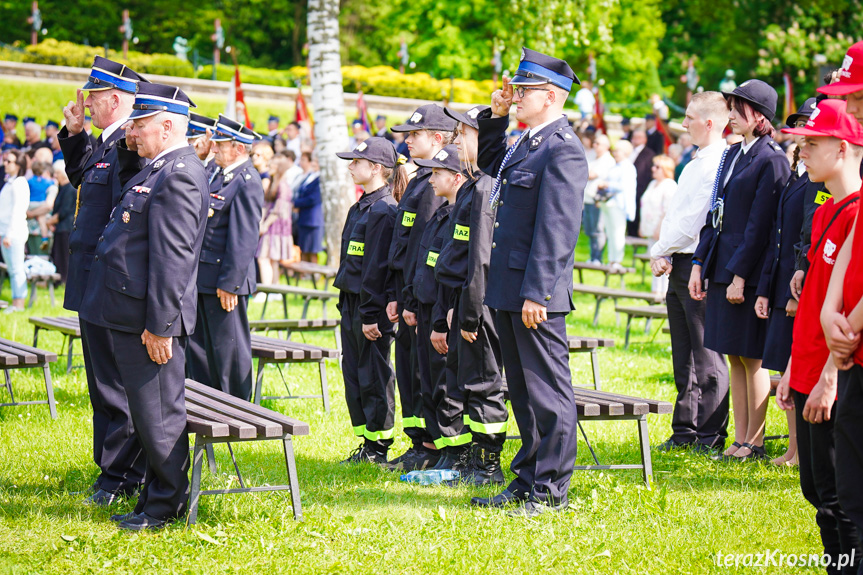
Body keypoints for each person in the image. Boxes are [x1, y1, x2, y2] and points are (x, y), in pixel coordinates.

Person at [78, 82, 208, 531]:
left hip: (149, 321)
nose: (134, 131)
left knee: (159, 416)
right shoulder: (159, 168)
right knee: (147, 412)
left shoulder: (181, 173)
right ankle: (152, 498)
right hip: (131, 314)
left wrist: (160, 326)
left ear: (167, 125)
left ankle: (164, 508)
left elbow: (173, 259)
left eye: (142, 123)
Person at [472, 48, 587, 517]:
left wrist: (537, 291)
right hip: (510, 287)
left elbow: (558, 228)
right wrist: (496, 119)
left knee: (547, 391)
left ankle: (551, 490)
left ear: (552, 95)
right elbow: (487, 166)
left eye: (524, 90)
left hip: (534, 292)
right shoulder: (527, 140)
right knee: (521, 388)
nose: (515, 96)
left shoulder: (562, 147)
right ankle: (528, 477)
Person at [776, 98, 863, 572]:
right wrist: (794, 366)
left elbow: (850, 312)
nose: (802, 152)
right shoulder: (825, 210)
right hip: (808, 366)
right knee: (817, 490)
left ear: (844, 148)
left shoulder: (856, 213)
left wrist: (829, 374)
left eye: (811, 143)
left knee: (840, 496)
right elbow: (814, 305)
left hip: (835, 373)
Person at [57, 56, 149, 506]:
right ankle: (108, 469)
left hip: (109, 283)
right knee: (101, 384)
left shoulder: (127, 148)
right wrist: (75, 136)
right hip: (91, 279)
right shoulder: (106, 143)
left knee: (115, 385)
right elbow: (82, 179)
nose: (86, 103)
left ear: (115, 99)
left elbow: (123, 216)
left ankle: (121, 477)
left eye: (93, 97)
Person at [690, 79, 791, 461]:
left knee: (752, 356)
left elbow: (761, 227)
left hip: (745, 272)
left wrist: (739, 276)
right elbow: (715, 214)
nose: (730, 114)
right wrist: (700, 262)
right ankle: (739, 436)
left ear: (759, 115)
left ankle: (757, 440)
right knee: (733, 353)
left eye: (737, 108)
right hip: (721, 264)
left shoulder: (773, 159)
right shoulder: (735, 155)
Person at [650, 91, 730, 453]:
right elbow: (677, 215)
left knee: (706, 351)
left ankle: (710, 432)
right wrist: (665, 252)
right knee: (682, 350)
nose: (684, 124)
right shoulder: (696, 160)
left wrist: (661, 249)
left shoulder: (717, 163)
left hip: (698, 261)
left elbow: (697, 217)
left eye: (691, 117)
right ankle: (685, 427)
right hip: (680, 261)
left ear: (710, 123)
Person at [434, 105, 508, 485]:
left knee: (485, 384)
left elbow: (479, 257)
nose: (456, 141)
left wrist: (469, 313)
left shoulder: (483, 189)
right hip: (463, 299)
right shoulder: (474, 186)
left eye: (463, 134)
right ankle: (475, 461)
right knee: (470, 382)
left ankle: (489, 466)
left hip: (477, 304)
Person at [386, 104, 456, 471]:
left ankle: (432, 444)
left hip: (423, 293)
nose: (407, 141)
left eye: (414, 135)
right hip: (409, 290)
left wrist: (412, 297)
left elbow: (425, 250)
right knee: (412, 371)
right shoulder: (420, 179)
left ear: (438, 139)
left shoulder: (434, 184)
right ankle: (420, 442)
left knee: (426, 373)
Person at [754, 98, 819, 467]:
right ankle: (795, 447)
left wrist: (800, 289)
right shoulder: (801, 175)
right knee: (783, 368)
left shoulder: (819, 181)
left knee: (796, 370)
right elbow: (781, 234)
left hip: (797, 287)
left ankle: (800, 451)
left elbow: (809, 236)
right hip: (783, 285)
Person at [334, 137, 406, 463]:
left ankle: (378, 447)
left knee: (373, 375)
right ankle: (366, 441)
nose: (350, 167)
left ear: (375, 168)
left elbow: (378, 270)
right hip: (351, 303)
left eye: (356, 162)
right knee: (354, 374)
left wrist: (369, 314)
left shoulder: (385, 210)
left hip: (370, 309)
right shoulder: (361, 206)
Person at [819, 39, 863, 560]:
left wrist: (847, 319)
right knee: (850, 498)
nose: (848, 108)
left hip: (851, 343)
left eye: (856, 95)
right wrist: (833, 304)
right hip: (853, 352)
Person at [185, 115, 263, 401]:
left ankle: (239, 410)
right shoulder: (218, 174)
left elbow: (243, 240)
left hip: (224, 281)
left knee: (228, 351)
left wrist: (230, 283)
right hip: (204, 278)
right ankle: (208, 404)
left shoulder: (246, 181)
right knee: (202, 350)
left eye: (220, 144)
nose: (213, 148)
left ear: (239, 149)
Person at [411, 145, 461, 470]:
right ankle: (440, 450)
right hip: (428, 308)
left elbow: (456, 273)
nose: (431, 180)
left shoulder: (460, 218)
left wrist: (443, 317)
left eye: (437, 173)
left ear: (456, 178)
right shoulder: (441, 215)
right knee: (428, 382)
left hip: (444, 311)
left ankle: (455, 454)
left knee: (446, 385)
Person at [256, 151, 297, 300]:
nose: (269, 167)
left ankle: (267, 290)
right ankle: (274, 290)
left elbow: (279, 210)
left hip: (276, 227)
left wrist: (264, 225)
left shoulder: (283, 185)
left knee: (263, 258)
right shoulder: (275, 182)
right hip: (272, 225)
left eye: (272, 165)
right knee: (271, 259)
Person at [639, 154, 678, 296]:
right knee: (653, 257)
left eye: (657, 166)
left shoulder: (670, 185)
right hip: (650, 226)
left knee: (663, 259)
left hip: (662, 229)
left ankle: (664, 291)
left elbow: (668, 210)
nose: (653, 169)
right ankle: (655, 289)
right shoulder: (652, 184)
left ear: (665, 169)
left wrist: (659, 229)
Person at [597, 139, 637, 269]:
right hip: (608, 203)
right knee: (610, 232)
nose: (615, 153)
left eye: (617, 151)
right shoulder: (614, 166)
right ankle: (611, 259)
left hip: (619, 204)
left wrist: (607, 184)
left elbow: (624, 186)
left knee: (618, 232)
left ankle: (617, 260)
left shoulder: (628, 167)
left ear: (625, 152)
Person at [0, 150, 30, 312]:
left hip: (14, 233)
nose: (5, 164)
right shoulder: (10, 182)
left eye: (9, 161)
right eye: (5, 161)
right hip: (5, 232)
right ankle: (15, 300)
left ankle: (19, 304)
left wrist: (10, 234)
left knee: (16, 268)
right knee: (12, 269)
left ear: (18, 164)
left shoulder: (19, 183)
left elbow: (18, 210)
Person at [583, 134, 614, 263]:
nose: (594, 145)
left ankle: (597, 257)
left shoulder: (608, 160)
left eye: (597, 143)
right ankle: (592, 256)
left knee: (598, 229)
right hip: (587, 197)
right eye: (594, 143)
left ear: (606, 146)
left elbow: (590, 174)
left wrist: (583, 172)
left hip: (598, 200)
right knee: (590, 229)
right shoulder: (591, 156)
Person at [292, 151, 323, 263]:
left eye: (317, 161)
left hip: (313, 219)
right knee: (303, 248)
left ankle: (315, 275)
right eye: (314, 161)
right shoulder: (309, 176)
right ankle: (304, 274)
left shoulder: (321, 179)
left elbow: (314, 198)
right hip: (304, 217)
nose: (314, 163)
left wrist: (295, 203)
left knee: (313, 250)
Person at [47, 160, 75, 284]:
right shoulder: (61, 188)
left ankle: (63, 280)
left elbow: (64, 211)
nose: (55, 176)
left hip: (66, 227)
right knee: (57, 254)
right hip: (60, 227)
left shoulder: (70, 189)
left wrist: (49, 222)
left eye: (57, 173)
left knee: (63, 256)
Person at [628, 129, 656, 237]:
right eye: (634, 137)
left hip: (640, 189)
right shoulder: (630, 151)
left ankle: (635, 236)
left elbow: (646, 174)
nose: (635, 139)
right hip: (630, 189)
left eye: (639, 137)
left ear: (644, 139)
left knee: (637, 216)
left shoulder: (649, 154)